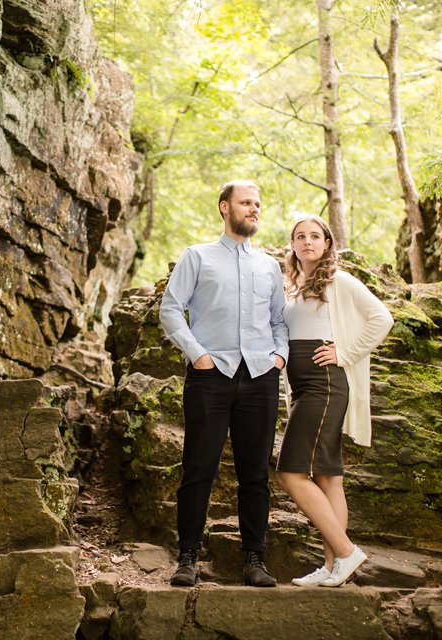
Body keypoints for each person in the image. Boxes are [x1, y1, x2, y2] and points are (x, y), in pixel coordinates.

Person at [159, 180, 289, 588]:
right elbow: (170, 309)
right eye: (246, 203)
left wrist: (279, 357)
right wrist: (196, 354)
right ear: (224, 208)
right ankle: (187, 558)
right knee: (198, 469)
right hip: (209, 377)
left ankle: (254, 559)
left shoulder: (269, 265)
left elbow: (279, 321)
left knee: (255, 475)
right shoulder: (197, 257)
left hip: (260, 377)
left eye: (257, 204)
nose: (254, 209)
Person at [276, 214, 393, 588]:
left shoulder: (338, 281)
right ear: (292, 245)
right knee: (329, 477)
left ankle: (345, 552)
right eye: (300, 236)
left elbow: (381, 318)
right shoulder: (291, 286)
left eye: (315, 236)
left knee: (290, 473)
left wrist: (345, 353)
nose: (307, 241)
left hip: (325, 384)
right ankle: (331, 569)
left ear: (327, 244)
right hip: (303, 387)